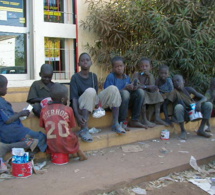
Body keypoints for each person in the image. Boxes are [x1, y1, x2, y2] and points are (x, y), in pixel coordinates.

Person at [70, 53, 124, 143]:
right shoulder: (75, 77)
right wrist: (77, 115)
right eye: (82, 60)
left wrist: (97, 106)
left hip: (92, 102)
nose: (85, 62)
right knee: (90, 91)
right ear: (78, 64)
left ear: (91, 62)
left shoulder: (93, 76)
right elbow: (74, 98)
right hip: (81, 105)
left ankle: (116, 123)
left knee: (113, 89)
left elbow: (95, 95)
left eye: (87, 60)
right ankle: (84, 129)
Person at [0, 75, 47, 159]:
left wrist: (17, 113)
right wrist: (20, 114)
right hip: (11, 131)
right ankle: (10, 148)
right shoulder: (0, 102)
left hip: (8, 131)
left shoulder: (2, 101)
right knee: (41, 137)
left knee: (34, 139)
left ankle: (25, 151)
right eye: (5, 87)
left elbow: (6, 114)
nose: (6, 89)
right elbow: (7, 120)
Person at [40, 83, 87, 161]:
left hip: (51, 144)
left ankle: (73, 154)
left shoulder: (44, 110)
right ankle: (79, 153)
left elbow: (43, 126)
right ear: (62, 99)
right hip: (67, 142)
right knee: (73, 136)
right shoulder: (68, 109)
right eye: (66, 97)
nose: (67, 99)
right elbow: (72, 126)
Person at [104, 56, 147, 130]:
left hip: (126, 102)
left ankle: (134, 120)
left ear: (124, 66)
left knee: (140, 92)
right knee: (125, 93)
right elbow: (109, 93)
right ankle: (122, 121)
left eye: (121, 66)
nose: (119, 68)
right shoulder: (111, 77)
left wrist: (134, 87)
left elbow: (131, 90)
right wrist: (125, 88)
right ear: (113, 68)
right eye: (116, 66)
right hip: (114, 104)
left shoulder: (127, 77)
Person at [163, 74, 212, 140]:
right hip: (184, 114)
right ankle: (183, 131)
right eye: (174, 81)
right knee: (178, 107)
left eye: (178, 80)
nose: (176, 83)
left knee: (208, 105)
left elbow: (204, 98)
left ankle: (201, 129)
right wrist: (167, 118)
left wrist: (199, 103)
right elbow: (165, 104)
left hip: (194, 111)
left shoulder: (189, 90)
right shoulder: (174, 92)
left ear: (183, 81)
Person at [133, 58, 168, 127]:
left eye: (146, 66)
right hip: (139, 94)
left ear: (150, 67)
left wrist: (149, 76)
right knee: (142, 94)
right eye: (142, 66)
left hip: (148, 93)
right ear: (139, 67)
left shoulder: (150, 75)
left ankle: (157, 117)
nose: (144, 68)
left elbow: (152, 88)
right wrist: (146, 87)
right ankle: (144, 119)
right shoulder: (137, 74)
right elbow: (136, 86)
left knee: (158, 94)